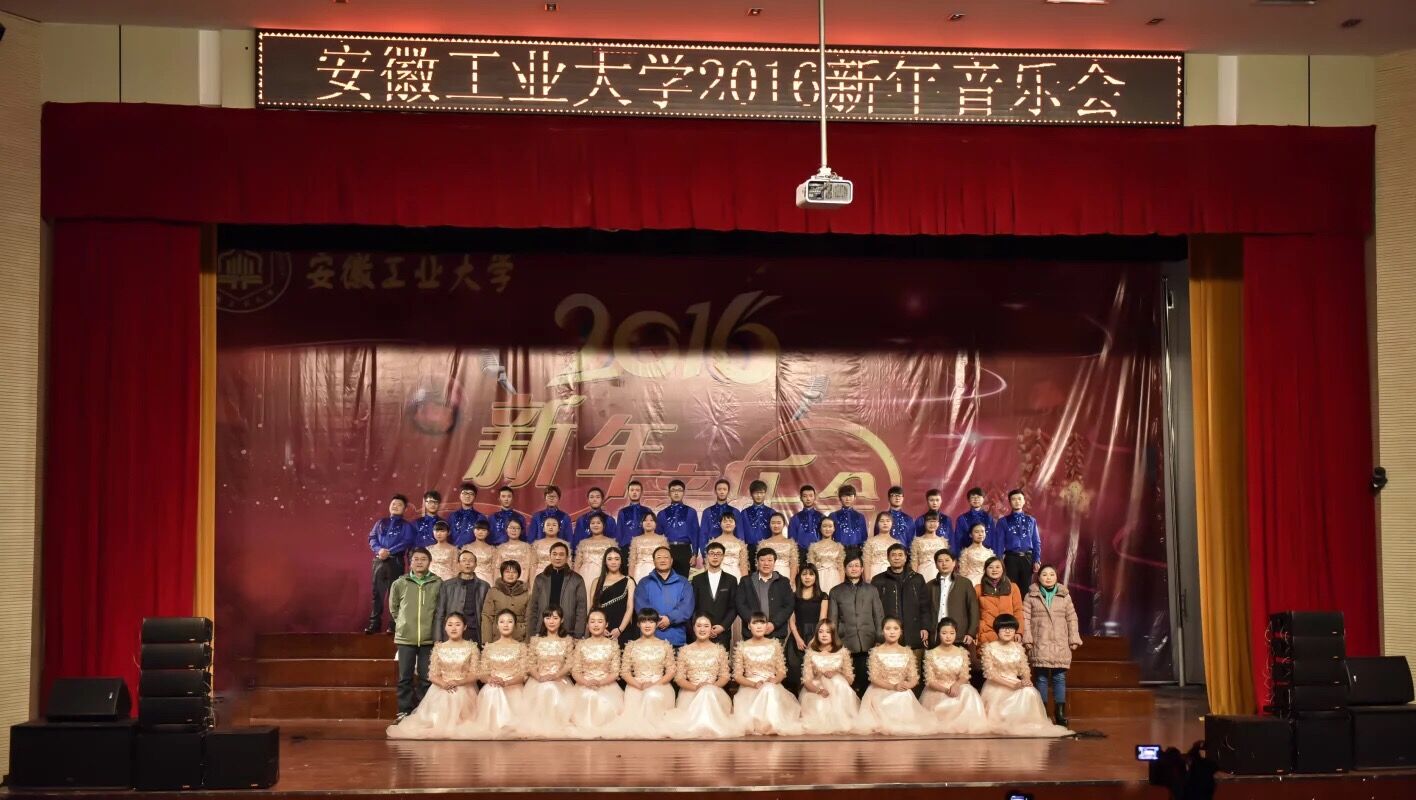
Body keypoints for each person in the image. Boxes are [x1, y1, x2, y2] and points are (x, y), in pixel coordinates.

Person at [386, 612, 481, 740]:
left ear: (464, 627)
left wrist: (458, 682)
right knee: (441, 706)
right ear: (445, 627)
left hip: (464, 688)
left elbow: (475, 674)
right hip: (441, 688)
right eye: (450, 624)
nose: (453, 628)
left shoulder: (472, 648)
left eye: (458, 624)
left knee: (460, 705)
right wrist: (443, 684)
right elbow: (432, 675)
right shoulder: (439, 648)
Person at [980, 613, 1071, 736]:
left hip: (1015, 681)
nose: (1008, 631)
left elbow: (1024, 669)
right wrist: (1013, 685)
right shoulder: (989, 648)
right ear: (997, 630)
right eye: (1004, 628)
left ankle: (1026, 723)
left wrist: (1026, 680)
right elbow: (990, 674)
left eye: (1011, 628)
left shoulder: (1018, 648)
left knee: (1029, 691)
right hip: (996, 685)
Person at [1022, 564, 1082, 727]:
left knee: (1059, 678)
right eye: (1044, 574)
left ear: (1056, 577)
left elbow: (1072, 618)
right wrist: (1027, 638)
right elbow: (1025, 618)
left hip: (1059, 642)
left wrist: (1073, 638)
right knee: (1041, 678)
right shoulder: (1031, 596)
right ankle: (1042, 712)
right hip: (1040, 641)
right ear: (1038, 577)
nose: (1048, 578)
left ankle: (1059, 713)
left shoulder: (1064, 596)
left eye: (1051, 575)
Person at [854, 617, 937, 734]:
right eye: (888, 629)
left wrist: (907, 685)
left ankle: (901, 722)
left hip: (901, 688)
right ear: (882, 631)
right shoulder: (876, 652)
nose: (892, 632)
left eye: (895, 628)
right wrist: (893, 687)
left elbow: (914, 677)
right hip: (880, 690)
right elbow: (874, 678)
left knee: (903, 696)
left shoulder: (907, 652)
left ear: (901, 631)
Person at [665, 614, 740, 739]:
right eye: (699, 626)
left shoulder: (719, 650)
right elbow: (679, 678)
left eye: (706, 626)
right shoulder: (685, 650)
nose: (702, 629)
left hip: (714, 692)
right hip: (691, 692)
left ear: (711, 628)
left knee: (707, 693)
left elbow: (725, 676)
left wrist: (710, 687)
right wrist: (697, 688)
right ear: (694, 628)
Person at [390, 548, 443, 720]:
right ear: (410, 562)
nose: (419, 562)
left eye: (423, 559)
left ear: (429, 562)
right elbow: (394, 608)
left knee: (426, 678)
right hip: (406, 638)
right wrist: (403, 623)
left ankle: (424, 712)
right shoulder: (400, 583)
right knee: (405, 677)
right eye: (416, 559)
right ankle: (404, 711)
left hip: (428, 638)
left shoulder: (437, 583)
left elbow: (440, 609)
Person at [732, 612, 802, 735]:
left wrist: (775, 680)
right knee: (766, 689)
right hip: (750, 687)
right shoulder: (742, 646)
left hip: (771, 685)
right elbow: (737, 676)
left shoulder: (774, 645)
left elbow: (781, 671)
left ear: (766, 626)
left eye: (762, 623)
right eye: (755, 623)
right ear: (749, 626)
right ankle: (761, 724)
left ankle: (772, 724)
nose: (759, 626)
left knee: (769, 689)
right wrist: (754, 684)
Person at [920, 617, 990, 734]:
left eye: (952, 633)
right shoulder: (931, 654)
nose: (948, 636)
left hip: (957, 687)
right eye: (944, 633)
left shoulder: (962, 652)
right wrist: (946, 690)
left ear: (956, 634)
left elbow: (964, 676)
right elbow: (929, 680)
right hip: (938, 689)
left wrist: (956, 685)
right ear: (939, 634)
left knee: (968, 691)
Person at [614, 609, 677, 737]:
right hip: (636, 687)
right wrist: (640, 685)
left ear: (657, 624)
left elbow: (671, 671)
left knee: (652, 695)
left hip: (660, 686)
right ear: (638, 624)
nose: (647, 625)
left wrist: (654, 685)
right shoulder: (631, 646)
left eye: (651, 621)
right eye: (643, 621)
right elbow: (625, 672)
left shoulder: (664, 645)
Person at [828, 554, 884, 696]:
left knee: (867, 682)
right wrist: (835, 642)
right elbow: (832, 619)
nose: (854, 569)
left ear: (862, 569)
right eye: (850, 566)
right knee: (848, 682)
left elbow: (878, 615)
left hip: (869, 640)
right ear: (845, 569)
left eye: (857, 566)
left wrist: (879, 638)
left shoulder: (871, 590)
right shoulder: (836, 591)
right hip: (846, 641)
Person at [871, 543, 932, 671]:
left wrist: (925, 627)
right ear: (888, 558)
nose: (897, 558)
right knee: (890, 673)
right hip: (889, 634)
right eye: (893, 555)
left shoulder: (917, 578)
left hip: (914, 632)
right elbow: (873, 610)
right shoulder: (878, 580)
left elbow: (925, 606)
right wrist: (878, 633)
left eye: (900, 555)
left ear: (905, 557)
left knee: (914, 673)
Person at [518, 605, 576, 736]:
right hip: (539, 679)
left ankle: (556, 724)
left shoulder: (567, 640)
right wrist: (539, 677)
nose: (551, 621)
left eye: (555, 618)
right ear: (543, 619)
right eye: (548, 618)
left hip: (560, 679)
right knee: (545, 688)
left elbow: (569, 663)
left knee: (552, 688)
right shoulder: (535, 640)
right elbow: (530, 663)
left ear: (561, 620)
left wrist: (556, 675)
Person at [473, 609, 529, 736]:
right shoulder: (489, 647)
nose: (506, 625)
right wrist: (490, 679)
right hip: (493, 685)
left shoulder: (521, 647)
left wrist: (506, 682)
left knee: (496, 690)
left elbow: (523, 674)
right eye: (502, 622)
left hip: (514, 687)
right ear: (497, 626)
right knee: (493, 690)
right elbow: (482, 673)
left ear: (515, 625)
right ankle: (495, 726)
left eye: (510, 621)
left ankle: (506, 726)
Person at [568, 609, 624, 735]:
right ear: (587, 625)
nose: (596, 625)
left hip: (607, 684)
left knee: (603, 702)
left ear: (606, 624)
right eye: (592, 621)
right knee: (588, 696)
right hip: (584, 684)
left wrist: (600, 682)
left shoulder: (613, 646)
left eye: (600, 621)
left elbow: (615, 672)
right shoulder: (581, 645)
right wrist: (586, 683)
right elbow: (575, 671)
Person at [798, 620, 859, 734]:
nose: (824, 635)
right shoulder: (811, 653)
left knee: (837, 681)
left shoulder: (842, 652)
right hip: (818, 689)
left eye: (828, 632)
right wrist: (819, 691)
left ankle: (841, 718)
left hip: (838, 690)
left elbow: (849, 679)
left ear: (833, 634)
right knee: (821, 706)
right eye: (821, 632)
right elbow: (807, 681)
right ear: (817, 634)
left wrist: (836, 673)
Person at [366, 494, 414, 634]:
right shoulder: (381, 522)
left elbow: (407, 541)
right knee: (377, 593)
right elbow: (372, 537)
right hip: (379, 560)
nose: (395, 506)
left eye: (399, 505)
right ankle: (374, 624)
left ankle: (393, 626)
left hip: (395, 561)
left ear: (404, 509)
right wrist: (379, 550)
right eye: (393, 504)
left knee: (395, 594)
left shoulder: (406, 525)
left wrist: (389, 551)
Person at [527, 541, 588, 638]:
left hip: (568, 632)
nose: (557, 557)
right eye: (554, 554)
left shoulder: (577, 579)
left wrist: (578, 634)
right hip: (542, 632)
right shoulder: (540, 579)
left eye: (561, 554)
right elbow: (533, 608)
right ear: (549, 556)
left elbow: (581, 610)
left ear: (567, 557)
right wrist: (531, 634)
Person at [634, 547, 694, 646]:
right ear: (653, 561)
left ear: (671, 560)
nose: (662, 560)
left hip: (676, 639)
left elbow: (686, 606)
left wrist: (669, 619)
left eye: (666, 557)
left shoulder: (683, 582)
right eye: (659, 557)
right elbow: (641, 606)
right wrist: (656, 619)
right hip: (650, 640)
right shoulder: (644, 583)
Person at [734, 547, 793, 646]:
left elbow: (789, 605)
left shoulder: (783, 582)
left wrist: (774, 624)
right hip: (751, 633)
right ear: (757, 562)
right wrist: (754, 623)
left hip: (776, 633)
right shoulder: (746, 581)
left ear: (774, 562)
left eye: (770, 560)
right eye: (762, 560)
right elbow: (740, 604)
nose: (766, 563)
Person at [786, 564, 828, 693]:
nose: (807, 577)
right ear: (800, 577)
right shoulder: (794, 596)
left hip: (816, 635)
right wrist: (797, 638)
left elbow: (822, 620)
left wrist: (815, 639)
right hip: (797, 634)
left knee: (815, 671)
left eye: (811, 574)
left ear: (816, 577)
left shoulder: (823, 596)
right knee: (795, 669)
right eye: (804, 574)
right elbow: (791, 619)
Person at [435, 548, 490, 645]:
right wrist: (438, 638)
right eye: (464, 560)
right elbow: (440, 613)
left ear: (476, 564)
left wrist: (487, 638)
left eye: (471, 561)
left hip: (475, 632)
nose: (467, 563)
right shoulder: (447, 585)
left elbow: (487, 615)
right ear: (458, 564)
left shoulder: (484, 586)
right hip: (453, 632)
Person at [928, 549, 980, 647]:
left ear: (954, 563)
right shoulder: (930, 585)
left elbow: (973, 609)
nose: (944, 564)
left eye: (947, 560)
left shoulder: (965, 583)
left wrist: (971, 632)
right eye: (940, 561)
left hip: (960, 636)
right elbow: (926, 611)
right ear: (936, 565)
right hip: (936, 636)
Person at [691, 541, 739, 648]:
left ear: (723, 557)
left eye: (718, 554)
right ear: (707, 556)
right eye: (712, 553)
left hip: (722, 633)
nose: (715, 556)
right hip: (701, 632)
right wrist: (700, 627)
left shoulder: (731, 580)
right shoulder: (697, 579)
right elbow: (693, 606)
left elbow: (734, 607)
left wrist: (723, 626)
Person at [996, 488, 1042, 597]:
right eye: (1014, 499)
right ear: (1009, 502)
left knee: (1025, 590)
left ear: (1024, 501)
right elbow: (999, 543)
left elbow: (1036, 541)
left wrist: (1036, 559)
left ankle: (1023, 609)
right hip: (1010, 559)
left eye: (1019, 499)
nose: (1017, 501)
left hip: (1027, 559)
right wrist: (999, 561)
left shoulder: (1031, 520)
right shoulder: (1003, 521)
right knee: (1010, 589)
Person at [657, 479, 702, 576]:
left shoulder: (691, 512)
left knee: (683, 580)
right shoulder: (662, 514)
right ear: (669, 493)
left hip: (684, 549)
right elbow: (657, 536)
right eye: (673, 490)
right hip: (667, 549)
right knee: (665, 578)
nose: (676, 493)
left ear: (683, 492)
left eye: (679, 490)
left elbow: (695, 534)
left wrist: (694, 554)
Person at [590, 547, 636, 642]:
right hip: (600, 629)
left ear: (621, 561)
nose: (613, 562)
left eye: (617, 559)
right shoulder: (596, 582)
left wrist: (620, 629)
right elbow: (592, 608)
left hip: (622, 628)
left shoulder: (629, 581)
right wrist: (600, 628)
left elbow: (630, 608)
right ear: (605, 562)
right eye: (610, 559)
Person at [977, 556, 1025, 646]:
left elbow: (1018, 611)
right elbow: (974, 613)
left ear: (1003, 569)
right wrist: (978, 630)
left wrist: (1019, 631)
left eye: (997, 567)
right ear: (985, 570)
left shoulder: (1013, 587)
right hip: (986, 634)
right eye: (990, 567)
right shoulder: (978, 589)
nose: (994, 570)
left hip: (1008, 633)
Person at [482, 561, 531, 643]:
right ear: (502, 573)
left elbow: (529, 618)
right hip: (497, 636)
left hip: (519, 636)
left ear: (518, 574)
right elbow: (487, 616)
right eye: (507, 572)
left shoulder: (526, 593)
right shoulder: (493, 592)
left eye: (514, 572)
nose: (511, 575)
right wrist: (487, 641)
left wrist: (527, 641)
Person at [573, 512, 617, 601]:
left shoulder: (611, 542)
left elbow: (615, 562)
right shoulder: (583, 543)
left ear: (603, 525)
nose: (595, 525)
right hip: (586, 575)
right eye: (592, 523)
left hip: (604, 575)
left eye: (598, 523)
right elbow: (577, 565)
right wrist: (575, 582)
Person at [806, 516, 846, 594]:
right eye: (824, 526)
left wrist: (841, 584)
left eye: (830, 526)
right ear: (820, 528)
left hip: (834, 577)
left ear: (834, 529)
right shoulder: (813, 546)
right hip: (819, 577)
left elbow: (841, 568)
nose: (827, 529)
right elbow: (811, 567)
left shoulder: (839, 546)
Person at [627, 510, 669, 583]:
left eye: (651, 520)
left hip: (657, 572)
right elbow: (632, 562)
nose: (648, 522)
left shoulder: (662, 539)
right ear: (641, 523)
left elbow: (666, 560)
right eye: (645, 520)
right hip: (639, 572)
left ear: (656, 524)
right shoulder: (636, 540)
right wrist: (631, 580)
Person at [572, 487, 619, 552]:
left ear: (602, 500)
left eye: (597, 497)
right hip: (586, 554)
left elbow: (614, 542)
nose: (594, 499)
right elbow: (576, 543)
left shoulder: (609, 520)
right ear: (588, 500)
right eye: (591, 497)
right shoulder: (581, 520)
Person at [705, 513, 749, 579]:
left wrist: (745, 582)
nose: (728, 523)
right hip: (717, 576)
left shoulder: (741, 544)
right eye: (725, 521)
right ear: (720, 524)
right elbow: (708, 564)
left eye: (731, 521)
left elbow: (744, 566)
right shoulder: (713, 542)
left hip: (736, 576)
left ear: (735, 524)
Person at [740, 479, 775, 563]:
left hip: (767, 548)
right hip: (749, 549)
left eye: (761, 493)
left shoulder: (771, 512)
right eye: (756, 493)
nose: (759, 495)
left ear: (765, 493)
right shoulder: (744, 512)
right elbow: (741, 533)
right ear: (751, 494)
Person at [700, 478, 744, 544]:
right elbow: (703, 534)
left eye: (724, 489)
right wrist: (704, 549)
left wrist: (741, 548)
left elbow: (740, 534)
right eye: (719, 489)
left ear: (728, 491)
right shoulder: (707, 512)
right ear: (715, 491)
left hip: (730, 547)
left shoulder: (735, 512)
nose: (722, 492)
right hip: (712, 547)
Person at [910, 511, 949, 583]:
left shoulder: (943, 541)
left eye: (934, 521)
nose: (932, 524)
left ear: (938, 523)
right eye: (929, 521)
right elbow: (914, 563)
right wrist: (913, 579)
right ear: (924, 523)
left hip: (939, 574)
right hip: (923, 574)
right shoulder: (917, 541)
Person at [759, 512, 799, 582]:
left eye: (778, 523)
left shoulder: (791, 543)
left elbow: (794, 564)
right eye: (773, 523)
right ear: (769, 525)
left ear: (784, 524)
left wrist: (791, 581)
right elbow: (759, 565)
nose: (776, 526)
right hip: (767, 577)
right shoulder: (763, 544)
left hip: (785, 575)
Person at [953, 486, 993, 555]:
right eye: (973, 497)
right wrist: (957, 556)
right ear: (969, 500)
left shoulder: (989, 518)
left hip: (986, 553)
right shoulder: (962, 518)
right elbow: (958, 539)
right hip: (967, 553)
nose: (976, 499)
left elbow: (993, 538)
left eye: (978, 497)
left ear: (983, 499)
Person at [831, 485, 869, 556]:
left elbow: (864, 538)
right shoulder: (833, 515)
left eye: (850, 496)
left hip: (856, 552)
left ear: (854, 497)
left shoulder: (860, 516)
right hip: (838, 552)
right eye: (844, 496)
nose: (847, 499)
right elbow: (829, 536)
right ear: (840, 498)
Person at [861, 512, 899, 581]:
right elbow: (866, 562)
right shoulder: (870, 542)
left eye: (888, 521)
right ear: (877, 524)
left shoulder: (896, 543)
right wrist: (867, 580)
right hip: (874, 575)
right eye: (882, 521)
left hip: (892, 576)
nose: (885, 523)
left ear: (892, 523)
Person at [788, 484, 825, 554]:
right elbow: (791, 540)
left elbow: (826, 538)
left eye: (811, 496)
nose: (808, 499)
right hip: (800, 554)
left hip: (818, 553)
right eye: (805, 496)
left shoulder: (822, 517)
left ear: (815, 497)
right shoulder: (795, 518)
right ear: (800, 498)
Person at [958, 522, 995, 587]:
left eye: (982, 531)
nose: (980, 534)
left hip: (988, 582)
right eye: (976, 532)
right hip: (971, 582)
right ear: (970, 535)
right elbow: (963, 572)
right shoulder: (966, 552)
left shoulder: (989, 552)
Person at [449, 483, 486, 548]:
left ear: (475, 497)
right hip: (454, 551)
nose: (467, 496)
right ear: (459, 495)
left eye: (471, 494)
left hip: (473, 552)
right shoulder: (452, 516)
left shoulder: (480, 517)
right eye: (464, 493)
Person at [614, 479, 648, 549]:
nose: (634, 492)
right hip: (625, 548)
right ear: (628, 492)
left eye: (637, 490)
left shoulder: (647, 511)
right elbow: (619, 533)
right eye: (632, 490)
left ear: (641, 493)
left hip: (643, 547)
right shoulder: (622, 512)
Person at [463, 521, 498, 586]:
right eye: (478, 529)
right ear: (474, 531)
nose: (480, 532)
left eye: (484, 530)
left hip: (487, 580)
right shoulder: (466, 548)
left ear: (488, 533)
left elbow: (495, 569)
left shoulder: (493, 550)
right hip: (469, 580)